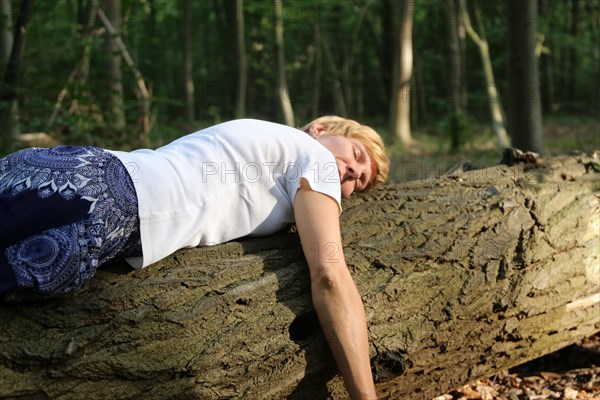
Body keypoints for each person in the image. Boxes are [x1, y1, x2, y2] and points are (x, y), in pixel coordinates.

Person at [0, 116, 389, 399]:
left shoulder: (265, 144)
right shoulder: (314, 158)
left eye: (360, 180)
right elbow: (329, 275)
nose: (352, 171)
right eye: (355, 154)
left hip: (65, 169)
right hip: (99, 204)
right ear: (321, 129)